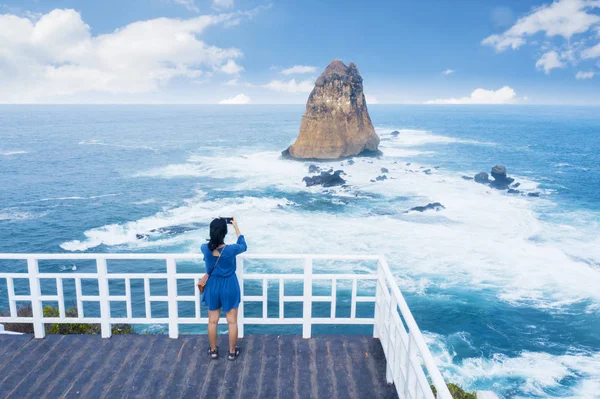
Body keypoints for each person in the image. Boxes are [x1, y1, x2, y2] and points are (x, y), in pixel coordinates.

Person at [200, 216, 247, 360]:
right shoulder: (231, 250)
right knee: (231, 321)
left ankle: (213, 350)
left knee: (212, 320)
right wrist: (236, 226)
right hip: (229, 285)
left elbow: (211, 249)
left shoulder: (204, 248)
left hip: (213, 285)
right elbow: (243, 245)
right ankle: (232, 352)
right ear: (224, 232)